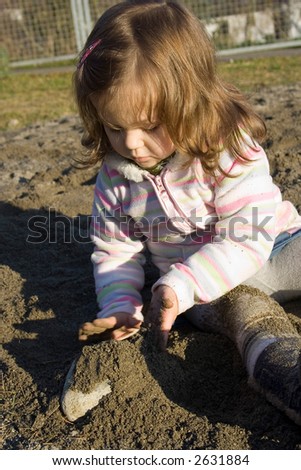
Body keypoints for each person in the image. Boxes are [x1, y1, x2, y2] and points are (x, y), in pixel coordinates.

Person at [66, 0, 301, 423]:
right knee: (249, 319)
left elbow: (248, 236)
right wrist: (121, 306)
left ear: (191, 101)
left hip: (278, 246)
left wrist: (184, 280)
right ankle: (282, 369)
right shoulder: (114, 181)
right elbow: (115, 252)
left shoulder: (227, 146)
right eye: (115, 128)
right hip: (203, 295)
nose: (132, 144)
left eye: (150, 125)